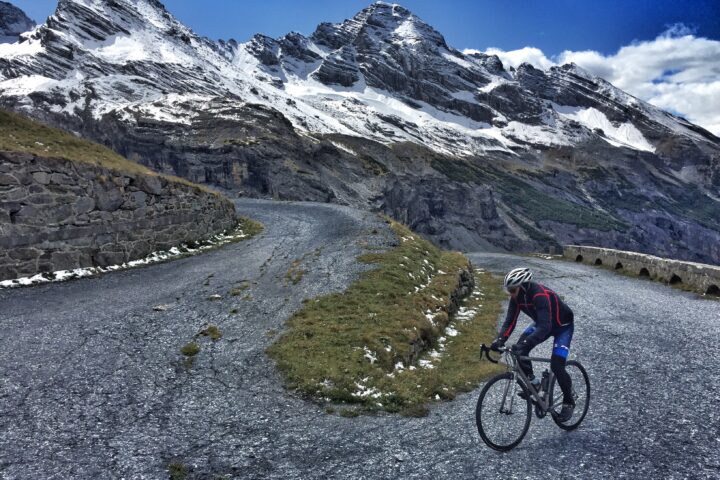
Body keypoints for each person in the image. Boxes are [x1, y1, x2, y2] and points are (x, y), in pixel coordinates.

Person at [490, 267, 576, 422]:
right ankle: (534, 384)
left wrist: (525, 343)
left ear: (522, 286)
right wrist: (499, 340)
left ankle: (569, 402)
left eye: (513, 289)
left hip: (563, 326)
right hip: (544, 323)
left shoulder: (539, 295)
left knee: (557, 365)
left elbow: (545, 327)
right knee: (519, 351)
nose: (510, 293)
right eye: (508, 290)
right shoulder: (516, 298)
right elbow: (510, 321)